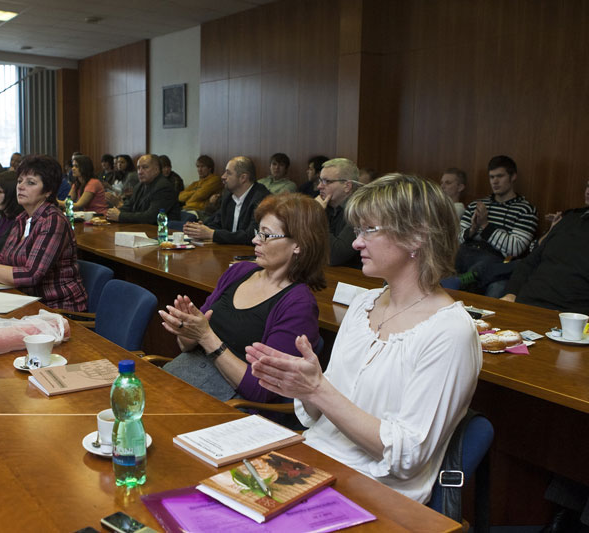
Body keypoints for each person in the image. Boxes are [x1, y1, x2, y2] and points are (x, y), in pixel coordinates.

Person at [246, 174, 481, 504]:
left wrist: (319, 390)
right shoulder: (362, 305)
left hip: (377, 495)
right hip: (311, 465)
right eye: (357, 231)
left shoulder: (450, 332)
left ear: (417, 236)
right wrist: (304, 386)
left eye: (369, 230)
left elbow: (406, 458)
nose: (356, 243)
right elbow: (322, 416)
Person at [158, 193, 325, 405]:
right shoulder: (238, 272)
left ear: (298, 245)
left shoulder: (299, 305)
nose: (255, 240)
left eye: (266, 235)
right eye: (258, 232)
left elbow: (262, 392)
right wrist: (187, 329)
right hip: (183, 380)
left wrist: (207, 337)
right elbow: (187, 346)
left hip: (230, 406)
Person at [0, 155, 87, 311]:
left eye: (31, 183)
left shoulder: (53, 221)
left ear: (48, 191)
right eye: (20, 181)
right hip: (26, 301)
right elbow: (4, 257)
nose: (21, 187)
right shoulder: (23, 217)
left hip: (58, 309)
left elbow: (31, 275)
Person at [501, 179, 589, 314]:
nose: (588, 192)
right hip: (526, 301)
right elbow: (529, 262)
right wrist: (511, 294)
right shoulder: (570, 218)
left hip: (569, 314)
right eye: (588, 186)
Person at [456, 155, 538, 297]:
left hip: (493, 257)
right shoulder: (478, 204)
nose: (495, 181)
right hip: (465, 251)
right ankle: (461, 282)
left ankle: (461, 282)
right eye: (491, 177)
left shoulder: (525, 209)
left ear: (513, 177)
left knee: (492, 271)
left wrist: (485, 225)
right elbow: (456, 237)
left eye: (500, 176)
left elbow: (515, 248)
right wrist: (473, 230)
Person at [183, 156, 270, 245]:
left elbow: (251, 236)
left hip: (251, 255)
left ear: (243, 178)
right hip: (229, 253)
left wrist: (212, 234)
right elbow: (217, 223)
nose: (223, 176)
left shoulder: (263, 200)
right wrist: (200, 229)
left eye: (228, 173)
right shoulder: (228, 196)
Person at [106, 154, 180, 223]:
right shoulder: (140, 185)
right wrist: (112, 213)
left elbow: (151, 217)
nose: (140, 172)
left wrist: (120, 216)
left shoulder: (163, 187)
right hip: (143, 229)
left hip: (162, 232)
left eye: (145, 167)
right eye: (138, 168)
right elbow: (129, 206)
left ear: (156, 170)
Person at [316, 158, 362, 268]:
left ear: (347, 186)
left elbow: (335, 256)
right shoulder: (325, 206)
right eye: (320, 180)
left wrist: (317, 217)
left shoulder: (360, 211)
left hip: (354, 278)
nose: (319, 186)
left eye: (327, 181)